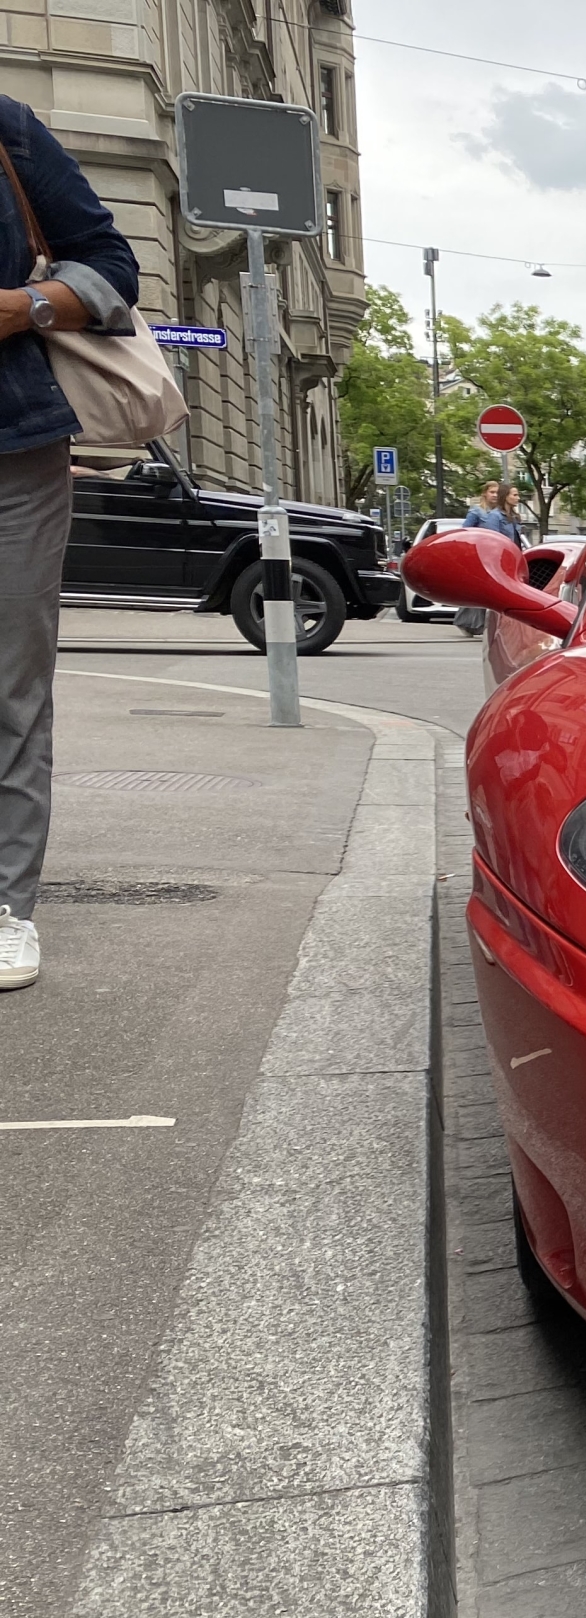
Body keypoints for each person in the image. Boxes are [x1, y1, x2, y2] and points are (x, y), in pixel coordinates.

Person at [0, 94, 141, 992]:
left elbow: (111, 266)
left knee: (11, 685)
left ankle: (6, 905)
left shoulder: (6, 128)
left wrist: (23, 307)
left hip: (10, 454)